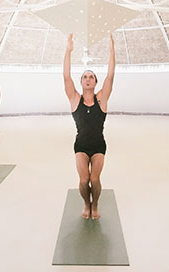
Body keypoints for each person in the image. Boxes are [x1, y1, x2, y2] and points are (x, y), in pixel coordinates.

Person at [64, 34, 115, 220]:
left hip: (99, 145)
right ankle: (86, 203)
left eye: (91, 77)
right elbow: (66, 76)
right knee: (84, 181)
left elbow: (110, 76)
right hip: (81, 145)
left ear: (95, 82)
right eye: (85, 77)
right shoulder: (74, 99)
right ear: (81, 82)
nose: (88, 79)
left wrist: (112, 50)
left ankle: (95, 204)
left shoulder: (101, 99)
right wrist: (68, 51)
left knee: (95, 179)